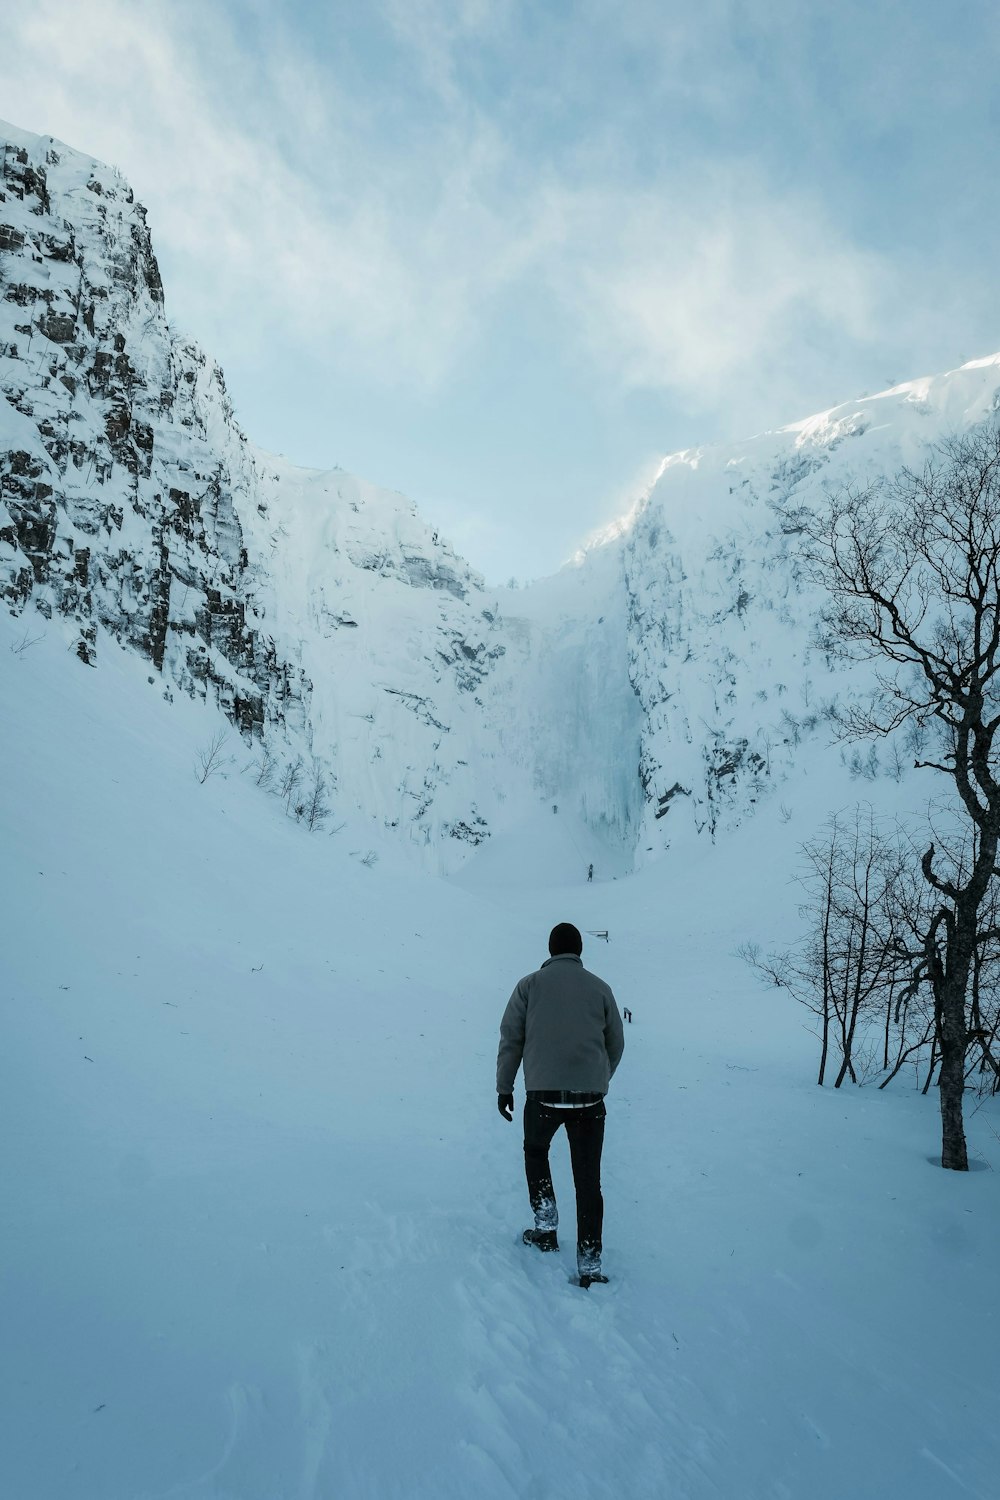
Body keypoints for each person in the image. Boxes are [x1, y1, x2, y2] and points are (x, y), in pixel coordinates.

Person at [496, 922, 625, 1287]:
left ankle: (546, 1228)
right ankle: (589, 1263)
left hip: (542, 1095)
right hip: (589, 1099)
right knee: (588, 1180)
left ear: (551, 950)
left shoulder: (529, 986)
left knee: (536, 1152)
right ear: (580, 950)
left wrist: (505, 1088)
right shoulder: (601, 988)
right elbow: (616, 1043)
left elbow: (511, 1039)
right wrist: (598, 1080)